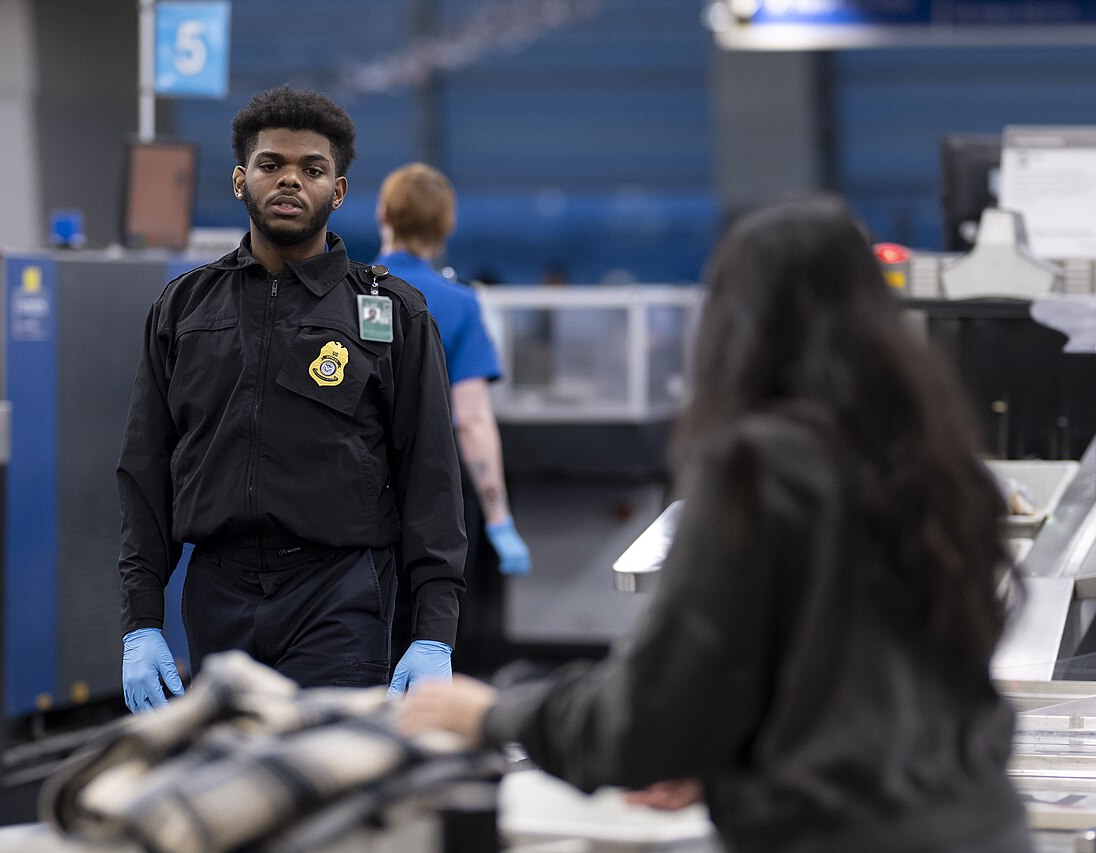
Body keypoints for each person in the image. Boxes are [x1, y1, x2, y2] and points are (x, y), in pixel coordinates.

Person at [400, 197, 1032, 852]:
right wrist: (726, 766)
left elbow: (656, 705)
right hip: (986, 825)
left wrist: (494, 713)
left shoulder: (757, 465)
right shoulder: (933, 457)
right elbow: (853, 688)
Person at [117, 86, 466, 713]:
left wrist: (434, 630)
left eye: (312, 169)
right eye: (271, 164)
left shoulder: (389, 313)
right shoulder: (184, 308)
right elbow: (146, 468)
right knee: (231, 768)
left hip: (339, 595)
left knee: (326, 765)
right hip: (218, 593)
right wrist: (141, 621)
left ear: (338, 191)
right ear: (239, 180)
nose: (289, 180)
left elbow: (431, 475)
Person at [375, 163, 530, 674]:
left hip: (360, 492)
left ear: (382, 214)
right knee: (432, 636)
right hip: (436, 496)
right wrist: (499, 518)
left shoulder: (350, 292)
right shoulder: (460, 303)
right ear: (447, 227)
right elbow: (472, 420)